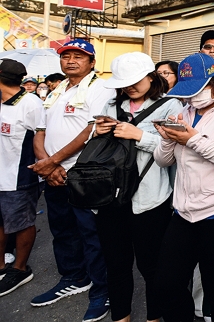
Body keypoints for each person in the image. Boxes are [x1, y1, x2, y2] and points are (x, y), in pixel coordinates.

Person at [153, 53, 214, 322]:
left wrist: (192, 139)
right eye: (188, 92)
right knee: (166, 284)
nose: (192, 98)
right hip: (184, 211)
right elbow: (162, 161)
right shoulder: (184, 111)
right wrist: (167, 138)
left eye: (198, 90)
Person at [92, 52, 183, 322]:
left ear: (151, 76)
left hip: (150, 200)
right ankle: (121, 316)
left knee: (151, 266)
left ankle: (154, 317)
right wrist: (96, 133)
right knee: (116, 265)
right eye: (124, 82)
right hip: (109, 199)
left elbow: (178, 149)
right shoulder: (110, 104)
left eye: (135, 81)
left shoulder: (170, 106)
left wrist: (140, 135)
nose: (129, 87)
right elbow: (93, 147)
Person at [29, 39, 115, 322]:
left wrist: (54, 162)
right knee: (63, 230)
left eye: (79, 56)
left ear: (91, 62)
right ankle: (74, 278)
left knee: (92, 234)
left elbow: (92, 131)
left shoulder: (99, 88)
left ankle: (102, 290)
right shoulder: (56, 91)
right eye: (66, 56)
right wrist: (47, 165)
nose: (71, 61)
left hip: (82, 175)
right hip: (54, 175)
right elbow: (40, 130)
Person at [0, 59, 44, 297]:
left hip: (18, 177)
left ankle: (20, 268)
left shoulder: (30, 103)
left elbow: (40, 138)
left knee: (21, 223)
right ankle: (1, 268)